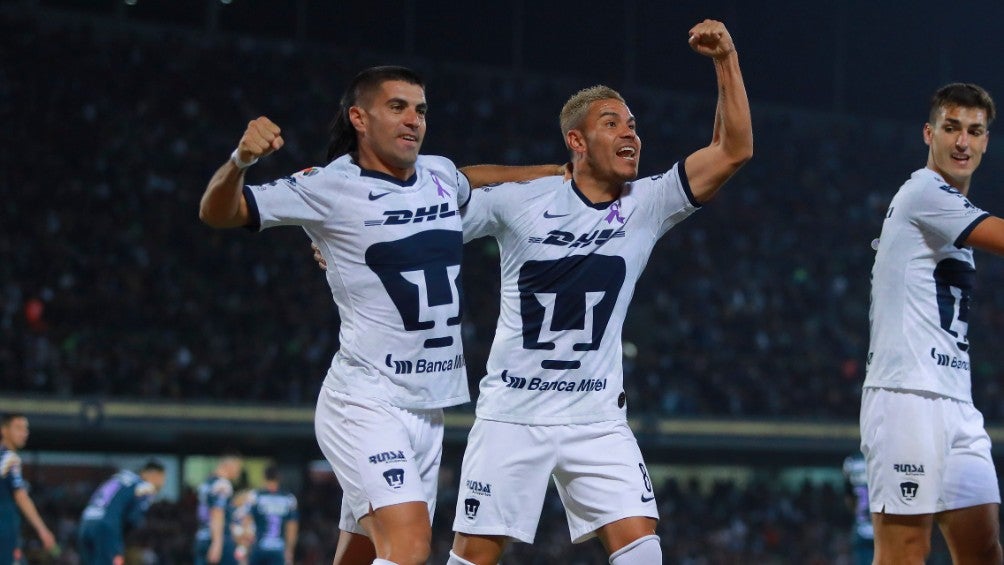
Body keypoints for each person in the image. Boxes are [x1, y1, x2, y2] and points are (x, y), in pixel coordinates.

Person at [198, 65, 561, 565]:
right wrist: (240, 160)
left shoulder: (436, 174)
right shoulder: (328, 186)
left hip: (428, 408)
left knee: (364, 554)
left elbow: (471, 180)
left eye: (421, 110)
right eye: (398, 107)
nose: (414, 119)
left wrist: (557, 173)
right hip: (364, 402)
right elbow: (219, 212)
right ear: (359, 118)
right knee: (409, 548)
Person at [447, 19, 751, 565]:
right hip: (514, 413)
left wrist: (725, 60)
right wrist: (338, 241)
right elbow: (441, 193)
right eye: (612, 123)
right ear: (577, 141)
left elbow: (734, 149)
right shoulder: (522, 200)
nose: (631, 133)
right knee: (471, 559)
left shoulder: (648, 202)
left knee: (643, 553)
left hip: (596, 420)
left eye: (633, 124)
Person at [862, 82, 1004, 565]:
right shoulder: (924, 191)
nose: (962, 141)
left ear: (986, 141)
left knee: (983, 549)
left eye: (975, 131)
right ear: (929, 134)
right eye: (952, 128)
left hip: (956, 403)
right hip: (906, 397)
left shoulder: (953, 213)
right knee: (905, 551)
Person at [77, 460, 167, 564]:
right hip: (107, 527)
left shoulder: (119, 477)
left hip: (86, 523)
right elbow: (133, 519)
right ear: (154, 475)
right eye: (162, 478)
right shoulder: (146, 486)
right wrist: (120, 542)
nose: (162, 483)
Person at [0, 413, 56, 565]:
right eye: (18, 428)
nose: (24, 433)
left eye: (26, 429)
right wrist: (42, 530)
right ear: (3, 430)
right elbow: (21, 496)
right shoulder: (10, 459)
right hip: (4, 534)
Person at [194, 452, 244, 565]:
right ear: (230, 465)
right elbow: (217, 512)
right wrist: (217, 543)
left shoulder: (206, 483)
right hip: (219, 539)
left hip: (202, 536)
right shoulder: (223, 484)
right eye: (238, 467)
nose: (238, 472)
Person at [243, 465, 299, 565]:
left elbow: (247, 523)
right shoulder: (289, 499)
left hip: (258, 548)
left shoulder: (255, 496)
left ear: (264, 478)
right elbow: (292, 528)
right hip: (279, 550)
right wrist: (289, 551)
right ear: (279, 478)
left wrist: (245, 547)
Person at [842, 452, 874, 565]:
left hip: (861, 528)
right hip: (883, 529)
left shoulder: (851, 462)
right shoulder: (885, 455)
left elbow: (849, 500)